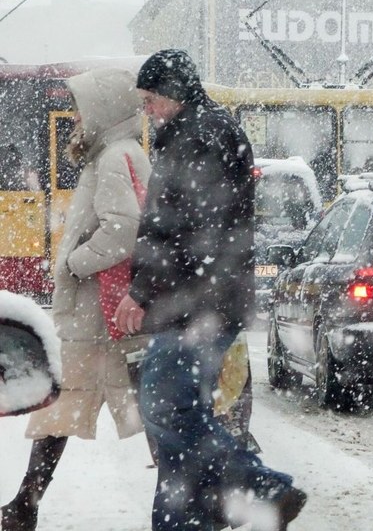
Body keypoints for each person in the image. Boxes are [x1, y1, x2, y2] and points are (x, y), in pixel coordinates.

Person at [113, 48, 306, 531]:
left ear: (173, 94)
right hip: (208, 297)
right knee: (182, 414)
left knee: (166, 406)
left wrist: (140, 289)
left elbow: (180, 227)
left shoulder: (196, 139)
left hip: (196, 302)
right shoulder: (204, 129)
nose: (147, 109)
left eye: (151, 99)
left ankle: (261, 486)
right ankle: (183, 522)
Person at [1, 67, 153, 530]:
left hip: (98, 315)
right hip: (105, 315)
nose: (75, 120)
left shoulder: (112, 158)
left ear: (103, 110)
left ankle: (230, 485)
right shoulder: (117, 153)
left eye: (82, 109)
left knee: (67, 408)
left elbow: (124, 229)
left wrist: (73, 264)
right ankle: (24, 503)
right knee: (142, 412)